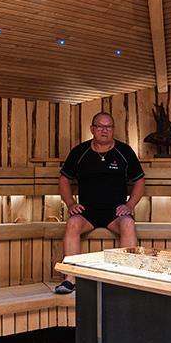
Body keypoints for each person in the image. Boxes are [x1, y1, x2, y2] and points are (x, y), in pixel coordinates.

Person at [53, 111, 145, 294]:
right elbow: (64, 179)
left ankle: (126, 279)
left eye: (108, 127)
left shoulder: (124, 151)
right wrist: (70, 203)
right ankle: (70, 278)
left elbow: (139, 181)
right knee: (72, 224)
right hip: (87, 212)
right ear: (92, 129)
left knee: (128, 224)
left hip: (115, 213)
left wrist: (129, 205)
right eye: (100, 126)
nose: (104, 130)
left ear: (113, 129)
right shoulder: (80, 152)